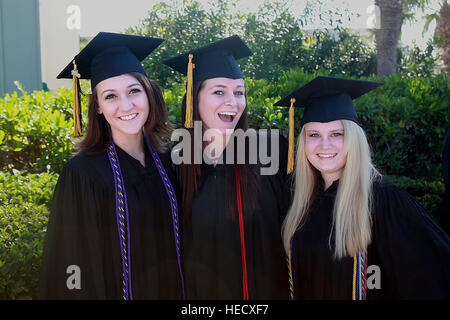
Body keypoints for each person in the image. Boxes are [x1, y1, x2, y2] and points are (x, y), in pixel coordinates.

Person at [39, 32, 184, 299]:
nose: (126, 105)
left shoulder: (169, 161)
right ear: (97, 107)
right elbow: (70, 263)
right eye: (110, 96)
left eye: (133, 91)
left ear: (149, 94)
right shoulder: (82, 174)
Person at [277, 76, 450, 299]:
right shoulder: (298, 200)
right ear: (303, 142)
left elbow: (432, 279)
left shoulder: (385, 202)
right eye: (314, 135)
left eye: (336, 134)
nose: (324, 145)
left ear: (354, 138)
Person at [162, 35, 290, 299]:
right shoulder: (173, 165)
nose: (233, 102)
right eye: (219, 91)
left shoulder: (270, 151)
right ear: (194, 98)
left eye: (239, 92)